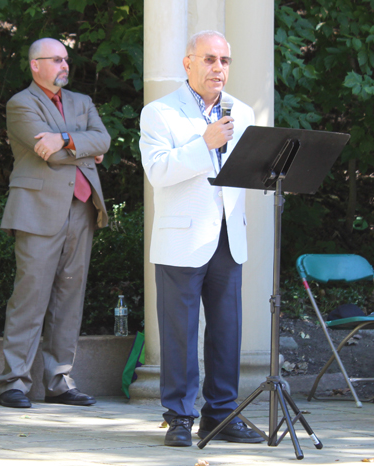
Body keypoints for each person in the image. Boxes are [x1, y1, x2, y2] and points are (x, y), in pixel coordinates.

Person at [140, 30, 264, 447]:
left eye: (225, 61)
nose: (218, 68)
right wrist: (204, 144)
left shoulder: (242, 112)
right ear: (188, 63)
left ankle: (222, 415)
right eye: (209, 59)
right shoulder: (160, 113)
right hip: (182, 240)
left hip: (229, 236)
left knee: (227, 329)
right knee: (180, 331)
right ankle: (178, 417)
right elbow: (158, 172)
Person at [0, 37, 110, 408]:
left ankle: (59, 381)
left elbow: (104, 138)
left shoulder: (83, 102)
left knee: (69, 298)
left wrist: (63, 139)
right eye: (56, 60)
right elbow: (54, 157)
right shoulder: (20, 104)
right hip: (36, 209)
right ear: (35, 65)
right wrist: (85, 148)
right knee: (30, 297)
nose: (64, 65)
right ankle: (13, 383)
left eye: (66, 59)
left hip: (82, 207)